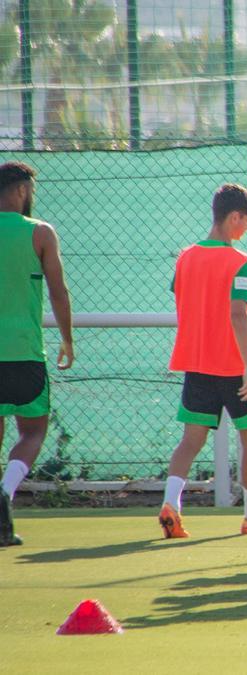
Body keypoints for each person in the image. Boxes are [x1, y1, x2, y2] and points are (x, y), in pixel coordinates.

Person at [159, 184, 247, 539]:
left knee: (191, 440)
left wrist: (246, 314)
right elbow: (233, 313)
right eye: (246, 222)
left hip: (196, 362)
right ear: (234, 217)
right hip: (234, 365)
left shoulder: (186, 257)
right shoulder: (240, 262)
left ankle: (171, 504)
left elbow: (196, 300)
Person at [0, 162, 74, 547]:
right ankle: (5, 493)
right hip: (25, 352)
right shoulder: (40, 233)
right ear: (21, 191)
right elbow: (58, 291)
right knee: (33, 431)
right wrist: (68, 340)